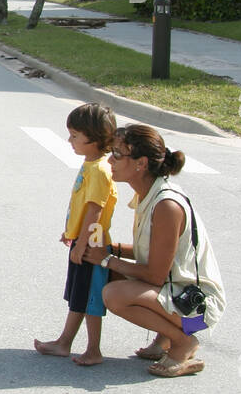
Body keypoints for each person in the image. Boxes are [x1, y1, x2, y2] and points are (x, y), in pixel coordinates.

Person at [83, 125, 225, 377]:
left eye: (117, 154)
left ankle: (183, 342)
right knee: (111, 275)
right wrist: (111, 249)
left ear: (141, 163)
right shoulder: (148, 193)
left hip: (198, 315)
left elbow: (155, 275)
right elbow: (152, 255)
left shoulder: (166, 205)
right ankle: (165, 340)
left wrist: (106, 259)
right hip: (178, 297)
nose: (110, 160)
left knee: (114, 293)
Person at [34, 103, 117, 365]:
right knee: (78, 294)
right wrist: (71, 233)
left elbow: (94, 210)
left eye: (74, 136)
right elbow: (82, 207)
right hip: (83, 240)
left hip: (93, 244)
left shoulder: (101, 170)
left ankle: (94, 349)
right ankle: (64, 342)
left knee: (91, 298)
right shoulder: (90, 164)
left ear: (94, 138)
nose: (70, 140)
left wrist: (82, 243)